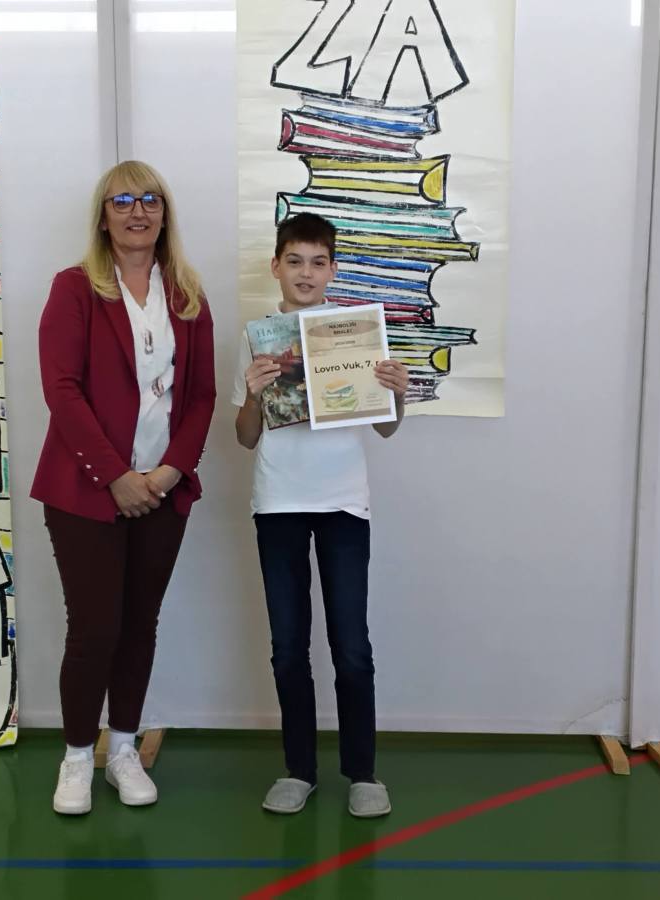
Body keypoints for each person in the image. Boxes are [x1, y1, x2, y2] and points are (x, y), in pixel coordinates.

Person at [32, 161, 215, 815]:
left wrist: (167, 473)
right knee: (94, 629)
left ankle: (124, 750)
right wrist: (115, 476)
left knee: (140, 626)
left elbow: (201, 396)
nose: (138, 212)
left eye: (150, 200)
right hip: (85, 493)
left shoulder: (188, 295)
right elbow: (62, 390)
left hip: (163, 493)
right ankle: (78, 756)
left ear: (165, 214)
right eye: (123, 201)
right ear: (103, 216)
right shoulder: (74, 288)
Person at [233, 212, 410, 818]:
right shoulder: (256, 337)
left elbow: (386, 428)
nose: (305, 273)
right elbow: (244, 437)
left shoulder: (356, 334)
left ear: (332, 269)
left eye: (317, 262)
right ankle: (298, 771)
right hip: (277, 501)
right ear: (275, 266)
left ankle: (363, 773)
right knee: (288, 647)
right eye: (294, 261)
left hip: (343, 503)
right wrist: (253, 395)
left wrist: (397, 394)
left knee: (351, 645)